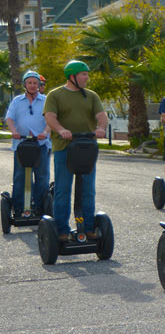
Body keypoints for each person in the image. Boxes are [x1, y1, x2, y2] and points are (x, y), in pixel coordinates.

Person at [43, 60, 108, 241]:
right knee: (63, 189)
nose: (87, 77)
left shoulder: (91, 96)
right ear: (72, 77)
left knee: (88, 190)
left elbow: (102, 116)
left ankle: (88, 228)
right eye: (84, 74)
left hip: (87, 148)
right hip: (64, 149)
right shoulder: (55, 95)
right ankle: (62, 231)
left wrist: (101, 128)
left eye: (87, 74)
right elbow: (50, 117)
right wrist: (61, 130)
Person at [5, 70, 51, 216]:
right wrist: (13, 131)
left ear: (39, 85)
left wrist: (45, 132)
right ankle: (18, 208)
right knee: (19, 176)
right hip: (21, 144)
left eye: (35, 83)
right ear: (25, 84)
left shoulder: (45, 101)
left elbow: (51, 120)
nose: (32, 85)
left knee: (42, 176)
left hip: (41, 144)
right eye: (29, 83)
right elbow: (9, 118)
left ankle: (39, 207)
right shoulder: (17, 101)